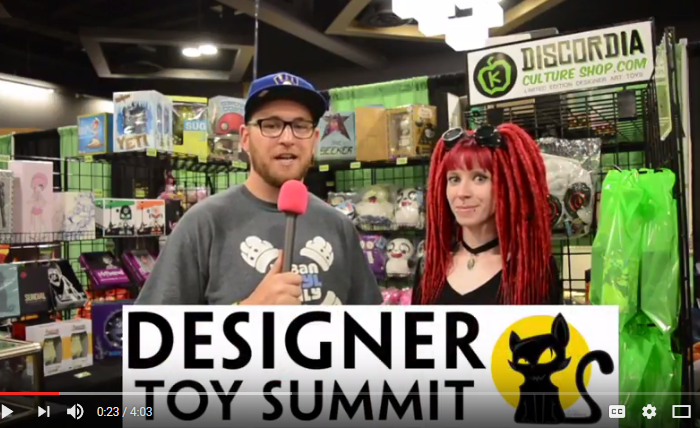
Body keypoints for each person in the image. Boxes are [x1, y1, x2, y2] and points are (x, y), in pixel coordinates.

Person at [136, 72, 382, 306]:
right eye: (271, 125)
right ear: (245, 138)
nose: (287, 138)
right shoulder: (203, 224)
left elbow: (373, 327)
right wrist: (247, 312)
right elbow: (149, 333)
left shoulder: (339, 227)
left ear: (315, 139)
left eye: (300, 126)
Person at [412, 123, 562, 305]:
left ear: (507, 185)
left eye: (479, 178)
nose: (462, 193)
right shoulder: (429, 268)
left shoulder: (534, 270)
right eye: (454, 179)